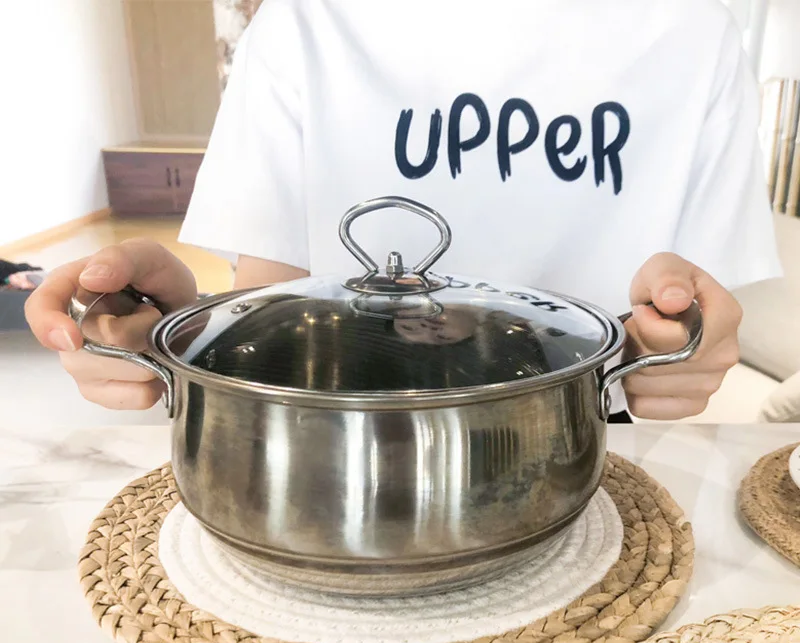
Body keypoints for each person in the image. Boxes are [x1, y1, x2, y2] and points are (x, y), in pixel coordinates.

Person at [25, 0, 781, 420]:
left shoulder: (695, 32)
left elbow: (696, 312)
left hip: (585, 429)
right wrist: (178, 331)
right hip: (330, 432)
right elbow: (269, 310)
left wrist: (676, 344)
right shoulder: (302, 21)